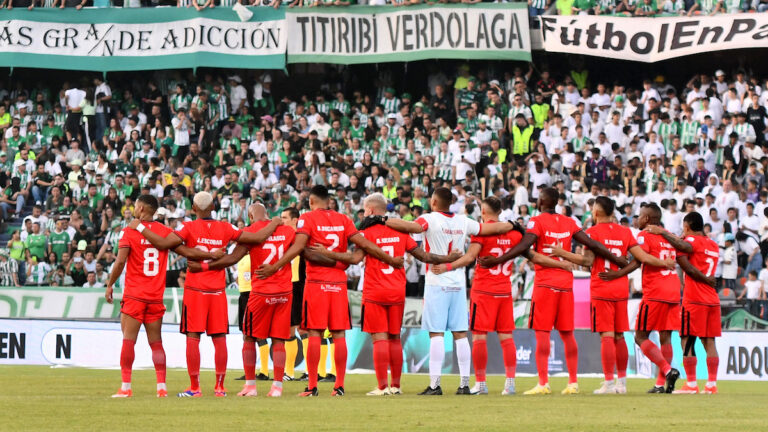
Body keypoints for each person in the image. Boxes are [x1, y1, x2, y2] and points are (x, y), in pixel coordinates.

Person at [254, 185, 403, 397]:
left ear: (312, 201)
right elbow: (365, 244)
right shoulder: (344, 220)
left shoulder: (307, 218)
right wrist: (391, 260)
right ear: (329, 200)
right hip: (339, 285)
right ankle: (339, 386)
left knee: (314, 332)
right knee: (339, 334)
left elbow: (298, 248)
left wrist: (274, 266)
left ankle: (312, 386)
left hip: (316, 284)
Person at [129, 191, 282, 398]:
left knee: (193, 337)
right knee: (219, 338)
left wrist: (138, 226)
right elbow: (256, 237)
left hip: (195, 290)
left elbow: (163, 244)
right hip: (217, 291)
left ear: (193, 208)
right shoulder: (225, 227)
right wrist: (274, 222)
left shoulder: (188, 227)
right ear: (213, 207)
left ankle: (195, 388)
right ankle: (220, 387)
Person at [477, 187, 628, 395]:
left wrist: (498, 259)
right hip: (566, 284)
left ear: (541, 201)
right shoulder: (569, 222)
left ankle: (543, 383)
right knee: (567, 334)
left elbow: (525, 246)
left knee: (543, 334)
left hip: (545, 284)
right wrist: (616, 258)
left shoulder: (537, 222)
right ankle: (573, 383)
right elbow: (591, 243)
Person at [308, 192, 459, 396]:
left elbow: (353, 259)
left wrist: (326, 253)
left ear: (370, 210)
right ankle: (396, 386)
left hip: (375, 291)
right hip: (397, 290)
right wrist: (448, 258)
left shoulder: (366, 233)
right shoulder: (400, 230)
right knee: (395, 337)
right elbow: (424, 256)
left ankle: (382, 387)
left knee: (379, 339)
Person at [430, 196, 572, 396]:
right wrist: (561, 263)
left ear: (484, 212)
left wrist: (447, 266)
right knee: (507, 338)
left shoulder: (482, 232)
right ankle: (510, 384)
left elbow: (470, 257)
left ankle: (480, 384)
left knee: (479, 337)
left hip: (484, 290)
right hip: (505, 291)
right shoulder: (514, 234)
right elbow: (533, 256)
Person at [383, 187, 519, 396]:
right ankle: (464, 384)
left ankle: (435, 385)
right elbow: (489, 229)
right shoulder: (464, 221)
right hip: (458, 282)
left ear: (434, 202)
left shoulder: (428, 218)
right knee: (460, 334)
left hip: (437, 280)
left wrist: (383, 221)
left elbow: (411, 226)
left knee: (436, 333)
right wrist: (511, 224)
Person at [550, 198, 676, 394]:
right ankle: (622, 384)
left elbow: (587, 261)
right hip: (620, 288)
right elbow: (641, 258)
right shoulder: (625, 232)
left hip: (602, 285)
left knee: (607, 336)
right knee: (620, 336)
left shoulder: (592, 233)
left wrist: (562, 253)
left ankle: (609, 383)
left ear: (597, 213)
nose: (592, 213)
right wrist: (664, 263)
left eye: (592, 210)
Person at [105, 195, 216, 398]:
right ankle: (161, 387)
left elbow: (120, 262)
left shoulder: (129, 231)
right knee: (156, 342)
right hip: (155, 296)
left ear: (140, 208)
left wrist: (110, 284)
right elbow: (186, 251)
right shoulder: (165, 232)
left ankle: (126, 387)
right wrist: (210, 255)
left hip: (135, 295)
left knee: (129, 341)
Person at [191, 204, 295, 397]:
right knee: (279, 339)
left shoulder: (250, 231)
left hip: (262, 292)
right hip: (284, 292)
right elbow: (298, 248)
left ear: (250, 215)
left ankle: (250, 386)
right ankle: (277, 388)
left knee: (249, 336)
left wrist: (205, 267)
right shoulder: (287, 230)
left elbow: (232, 258)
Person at [599, 203, 682, 393]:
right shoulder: (668, 235)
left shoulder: (645, 235)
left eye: (640, 216)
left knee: (640, 336)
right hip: (673, 289)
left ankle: (668, 370)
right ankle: (660, 384)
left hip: (655, 292)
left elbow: (638, 260)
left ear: (646, 219)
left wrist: (618, 274)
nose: (637, 219)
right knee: (665, 336)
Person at [644, 212, 720, 394]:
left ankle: (691, 384)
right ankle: (711, 385)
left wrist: (663, 234)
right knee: (710, 342)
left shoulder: (691, 243)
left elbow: (688, 264)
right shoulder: (714, 245)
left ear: (687, 227)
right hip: (712, 299)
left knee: (687, 339)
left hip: (695, 299)